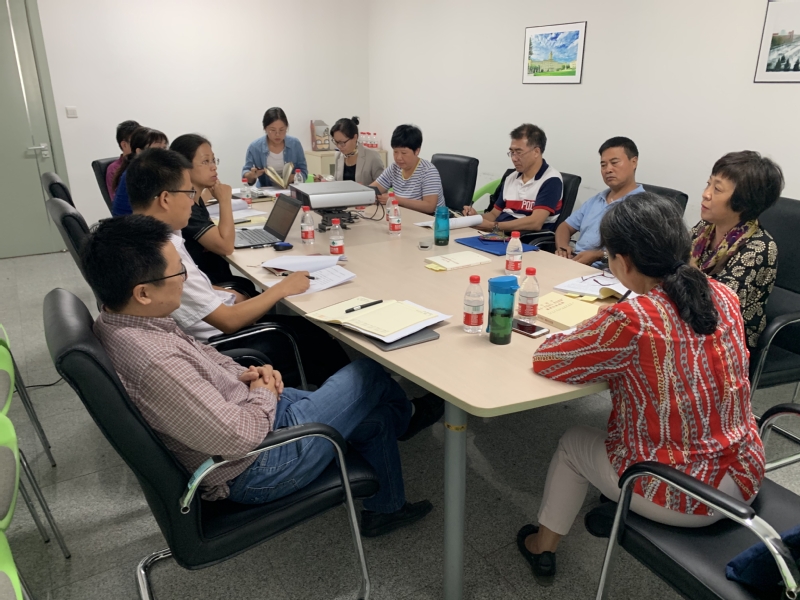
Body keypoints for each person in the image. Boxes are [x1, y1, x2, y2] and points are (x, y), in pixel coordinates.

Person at [81, 214, 435, 536]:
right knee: (368, 372)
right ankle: (408, 417)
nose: (185, 281)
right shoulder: (155, 360)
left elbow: (205, 355)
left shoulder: (129, 320)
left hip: (248, 417)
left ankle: (386, 508)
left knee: (374, 417)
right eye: (178, 273)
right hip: (257, 465)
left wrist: (248, 375)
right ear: (143, 293)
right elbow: (238, 439)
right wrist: (264, 392)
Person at [518, 192, 764, 583]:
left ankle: (541, 546)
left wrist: (600, 321)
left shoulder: (632, 319)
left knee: (572, 443)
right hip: (746, 474)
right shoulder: (724, 295)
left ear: (624, 262)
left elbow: (549, 359)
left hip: (683, 496)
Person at [691, 151, 784, 351]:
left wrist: (686, 268)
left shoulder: (759, 247)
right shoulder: (704, 229)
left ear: (743, 201)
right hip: (692, 321)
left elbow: (721, 306)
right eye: (708, 184)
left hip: (729, 340)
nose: (706, 194)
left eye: (717, 189)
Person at [170, 134, 257, 298]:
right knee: (249, 290)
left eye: (213, 160)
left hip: (211, 277)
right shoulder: (187, 208)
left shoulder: (195, 199)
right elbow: (226, 246)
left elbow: (216, 238)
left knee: (248, 286)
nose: (213, 167)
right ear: (184, 167)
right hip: (205, 286)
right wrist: (224, 200)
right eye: (205, 161)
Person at [554, 137, 644, 266]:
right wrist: (563, 248)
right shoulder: (597, 199)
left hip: (610, 272)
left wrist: (599, 255)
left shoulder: (642, 206)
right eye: (603, 165)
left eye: (614, 163)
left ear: (634, 162)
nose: (608, 169)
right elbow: (565, 227)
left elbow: (638, 253)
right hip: (575, 264)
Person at [463, 124, 563, 233]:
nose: (514, 158)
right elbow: (493, 215)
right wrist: (475, 218)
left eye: (519, 152)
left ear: (536, 152)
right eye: (512, 152)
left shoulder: (551, 180)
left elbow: (535, 223)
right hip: (498, 234)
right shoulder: (511, 177)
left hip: (523, 239)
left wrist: (494, 226)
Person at [370, 124, 444, 215]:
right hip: (404, 215)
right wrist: (365, 193)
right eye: (395, 152)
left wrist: (395, 199)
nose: (398, 157)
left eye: (404, 153)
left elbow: (429, 206)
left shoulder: (428, 171)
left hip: (429, 219)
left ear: (417, 151)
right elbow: (373, 189)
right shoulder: (394, 168)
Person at [242, 107, 307, 188]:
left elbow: (304, 172)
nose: (277, 134)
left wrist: (295, 177)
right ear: (265, 129)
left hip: (291, 190)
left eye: (282, 130)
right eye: (273, 130)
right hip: (265, 191)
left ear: (286, 128)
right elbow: (246, 174)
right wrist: (251, 176)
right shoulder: (255, 147)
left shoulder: (295, 144)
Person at [112, 127, 169, 216]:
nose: (164, 153)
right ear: (139, 151)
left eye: (164, 148)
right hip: (130, 222)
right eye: (158, 148)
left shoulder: (153, 169)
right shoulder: (138, 173)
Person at [313, 116, 384, 185]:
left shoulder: (372, 156)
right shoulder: (338, 155)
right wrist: (324, 181)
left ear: (355, 137)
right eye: (336, 142)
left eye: (342, 142)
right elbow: (337, 183)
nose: (339, 146)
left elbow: (382, 186)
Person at [106, 120, 140, 196]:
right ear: (124, 145)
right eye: (137, 142)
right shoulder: (114, 169)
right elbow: (116, 199)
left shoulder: (147, 163)